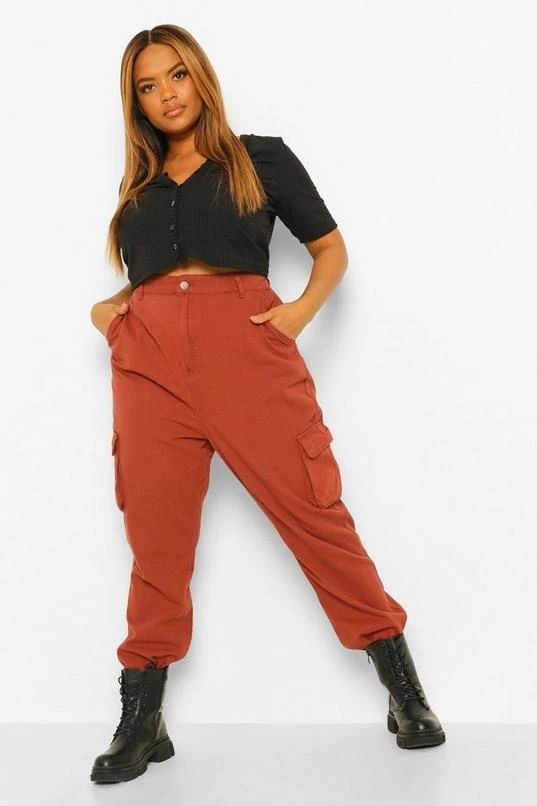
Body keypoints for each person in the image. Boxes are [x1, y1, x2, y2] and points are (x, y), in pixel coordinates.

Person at [89, 24, 445, 784]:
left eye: (176, 75)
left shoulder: (260, 158)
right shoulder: (140, 189)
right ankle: (142, 718)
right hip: (148, 370)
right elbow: (154, 278)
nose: (166, 94)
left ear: (200, 76)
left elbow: (329, 248)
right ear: (136, 103)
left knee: (315, 514)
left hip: (248, 358)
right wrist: (111, 312)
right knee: (155, 539)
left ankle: (403, 688)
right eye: (147, 86)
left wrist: (298, 314)